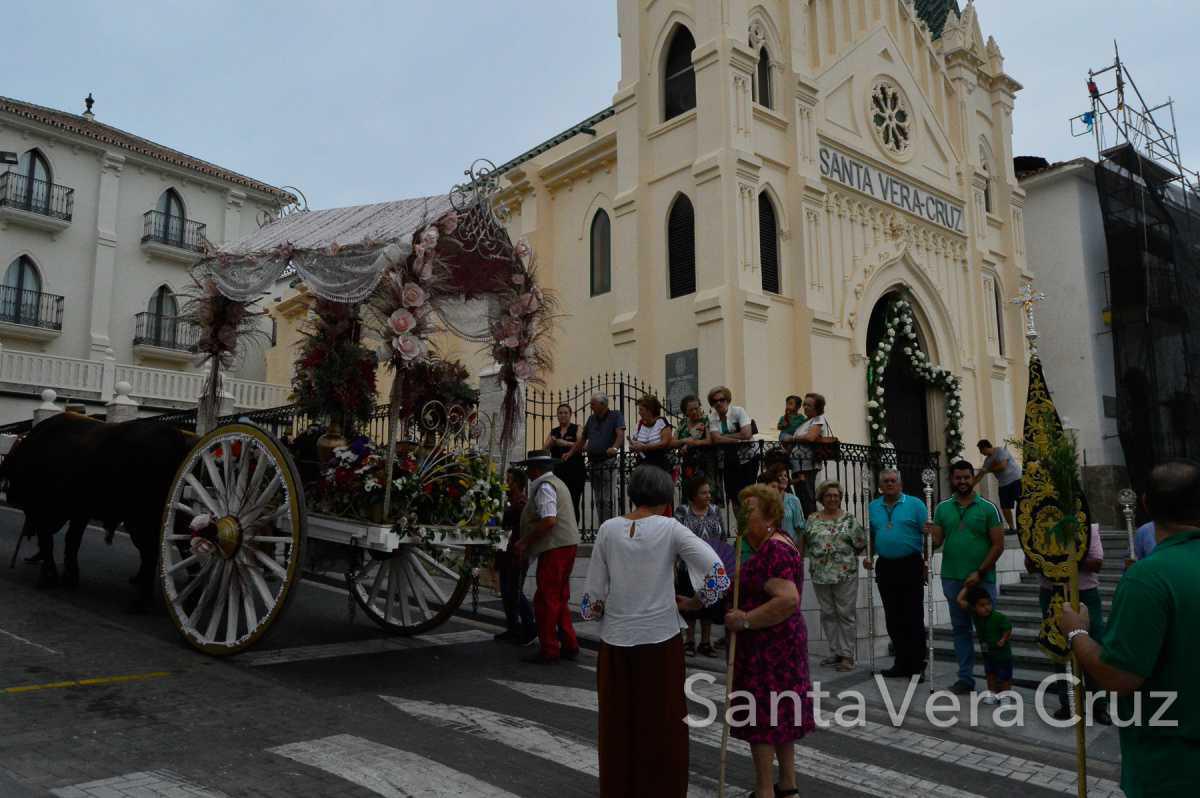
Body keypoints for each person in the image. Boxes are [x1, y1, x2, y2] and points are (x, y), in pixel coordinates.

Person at [580, 466, 729, 798]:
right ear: (665, 500)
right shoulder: (671, 528)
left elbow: (591, 602)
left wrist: (600, 607)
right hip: (661, 641)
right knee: (662, 724)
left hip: (616, 641)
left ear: (632, 494)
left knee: (618, 725)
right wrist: (694, 603)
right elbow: (718, 573)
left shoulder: (607, 529)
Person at [1058, 459, 1200, 798]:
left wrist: (1077, 632)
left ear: (1144, 504)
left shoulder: (1148, 579)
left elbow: (1117, 676)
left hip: (1172, 768)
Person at [726, 484, 814, 798]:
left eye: (750, 511)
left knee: (762, 715)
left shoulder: (775, 548)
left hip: (770, 646)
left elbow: (787, 599)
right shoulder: (766, 544)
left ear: (769, 517)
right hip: (775, 643)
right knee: (780, 713)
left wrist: (745, 619)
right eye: (742, 509)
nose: (742, 515)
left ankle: (764, 791)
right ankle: (788, 786)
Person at [928, 460, 1005, 694]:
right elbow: (937, 542)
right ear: (951, 480)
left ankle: (998, 680)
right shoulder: (942, 508)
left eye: (966, 477)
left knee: (988, 631)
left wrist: (980, 572)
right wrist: (928, 534)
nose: (962, 482)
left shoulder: (988, 508)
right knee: (960, 631)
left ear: (973, 478)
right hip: (953, 579)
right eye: (958, 478)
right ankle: (965, 678)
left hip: (982, 580)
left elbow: (998, 545)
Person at [1029, 525, 1110, 722]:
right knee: (1058, 647)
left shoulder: (1088, 528)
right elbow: (1030, 565)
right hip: (1052, 592)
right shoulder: (1038, 526)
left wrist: (1066, 557)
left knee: (1093, 645)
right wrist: (1042, 556)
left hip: (1085, 592)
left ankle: (1098, 705)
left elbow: (1096, 563)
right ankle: (1068, 703)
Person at [513, 450, 582, 665]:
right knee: (559, 597)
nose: (527, 472)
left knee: (546, 599)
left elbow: (549, 520)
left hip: (555, 547)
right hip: (566, 544)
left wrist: (525, 541)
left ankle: (549, 648)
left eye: (529, 468)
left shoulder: (544, 487)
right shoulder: (556, 483)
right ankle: (569, 644)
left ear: (535, 469)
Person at [866, 469, 929, 679]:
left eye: (893, 481)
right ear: (881, 486)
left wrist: (926, 562)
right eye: (886, 481)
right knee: (893, 617)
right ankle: (901, 662)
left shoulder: (916, 505)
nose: (890, 484)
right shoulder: (873, 506)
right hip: (885, 566)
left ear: (900, 484)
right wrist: (868, 554)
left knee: (913, 615)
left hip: (910, 564)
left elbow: (927, 534)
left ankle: (917, 664)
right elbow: (872, 535)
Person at [804, 480, 867, 672]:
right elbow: (807, 541)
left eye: (836, 496)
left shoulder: (849, 519)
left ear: (840, 498)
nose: (833, 498)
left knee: (845, 613)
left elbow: (860, 543)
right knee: (828, 613)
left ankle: (847, 655)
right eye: (829, 495)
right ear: (821, 498)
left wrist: (843, 559)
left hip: (845, 573)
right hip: (820, 574)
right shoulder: (813, 518)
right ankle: (836, 651)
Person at [673, 475, 731, 657]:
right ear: (693, 495)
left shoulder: (715, 510)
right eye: (703, 493)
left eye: (709, 492)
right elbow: (675, 537)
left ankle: (706, 642)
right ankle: (689, 640)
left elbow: (722, 537)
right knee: (689, 603)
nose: (708, 496)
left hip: (709, 567)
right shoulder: (682, 511)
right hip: (687, 567)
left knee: (709, 604)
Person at [564, 393, 625, 525]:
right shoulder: (591, 419)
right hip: (593, 463)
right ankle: (604, 526)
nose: (590, 406)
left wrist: (614, 448)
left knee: (607, 499)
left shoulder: (616, 416)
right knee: (598, 499)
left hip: (607, 463)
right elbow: (583, 439)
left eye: (593, 404)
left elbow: (620, 435)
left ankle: (610, 527)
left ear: (603, 404)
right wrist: (571, 452)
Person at [494, 468, 536, 645]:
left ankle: (529, 627)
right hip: (506, 552)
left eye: (509, 480)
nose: (506, 482)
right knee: (506, 591)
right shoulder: (510, 501)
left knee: (515, 592)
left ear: (518, 483)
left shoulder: (521, 503)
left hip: (516, 553)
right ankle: (513, 627)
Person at [956, 585, 1013, 705]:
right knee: (990, 674)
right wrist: (968, 585)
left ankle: (1005, 696)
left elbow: (1007, 628)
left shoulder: (998, 617)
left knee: (1004, 675)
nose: (987, 608)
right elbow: (959, 600)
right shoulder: (975, 615)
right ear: (974, 607)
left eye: (988, 604)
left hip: (1002, 654)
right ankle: (991, 693)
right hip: (988, 653)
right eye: (982, 605)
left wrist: (1003, 639)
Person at [707, 385, 756, 508]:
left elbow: (747, 434)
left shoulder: (738, 411)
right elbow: (716, 439)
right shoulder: (712, 417)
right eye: (714, 401)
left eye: (722, 399)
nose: (718, 403)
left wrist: (725, 437)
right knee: (734, 496)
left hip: (748, 458)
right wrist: (736, 438)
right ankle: (740, 526)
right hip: (729, 460)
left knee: (748, 495)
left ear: (728, 400)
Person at [790, 393, 830, 518]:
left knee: (808, 498)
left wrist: (793, 439)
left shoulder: (819, 419)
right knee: (801, 498)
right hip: (798, 465)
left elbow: (810, 437)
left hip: (808, 465)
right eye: (804, 404)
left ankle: (813, 523)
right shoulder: (806, 422)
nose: (805, 407)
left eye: (808, 405)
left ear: (817, 407)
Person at [674, 394, 719, 502]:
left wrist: (692, 443)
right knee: (689, 493)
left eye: (696, 408)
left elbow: (709, 441)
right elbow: (673, 442)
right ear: (685, 411)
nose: (694, 411)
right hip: (688, 463)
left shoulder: (706, 420)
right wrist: (685, 441)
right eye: (690, 410)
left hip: (705, 463)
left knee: (706, 494)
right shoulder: (683, 423)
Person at [544, 403, 585, 520]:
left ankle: (574, 533)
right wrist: (552, 442)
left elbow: (583, 446)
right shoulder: (554, 431)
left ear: (570, 415)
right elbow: (544, 449)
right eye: (560, 413)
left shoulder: (577, 428)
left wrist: (566, 443)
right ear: (557, 415)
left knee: (573, 502)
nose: (563, 415)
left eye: (565, 413)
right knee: (558, 503)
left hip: (575, 471)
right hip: (558, 473)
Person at [972, 439, 1022, 533]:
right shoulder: (988, 461)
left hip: (1015, 480)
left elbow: (1003, 466)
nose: (981, 453)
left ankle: (1024, 525)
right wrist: (970, 485)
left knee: (1022, 503)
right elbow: (980, 475)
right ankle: (1012, 528)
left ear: (986, 447)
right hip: (1003, 484)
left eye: (981, 450)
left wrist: (988, 469)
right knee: (1005, 507)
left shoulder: (1000, 451)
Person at [759, 462, 804, 541]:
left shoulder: (793, 500)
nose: (784, 478)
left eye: (786, 476)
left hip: (789, 546)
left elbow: (800, 529)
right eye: (780, 475)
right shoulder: (764, 501)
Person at [629, 394, 674, 472]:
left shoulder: (662, 422)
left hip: (659, 466)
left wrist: (644, 447)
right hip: (642, 466)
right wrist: (633, 446)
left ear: (650, 410)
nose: (639, 413)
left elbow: (664, 443)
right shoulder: (639, 424)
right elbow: (634, 441)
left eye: (641, 409)